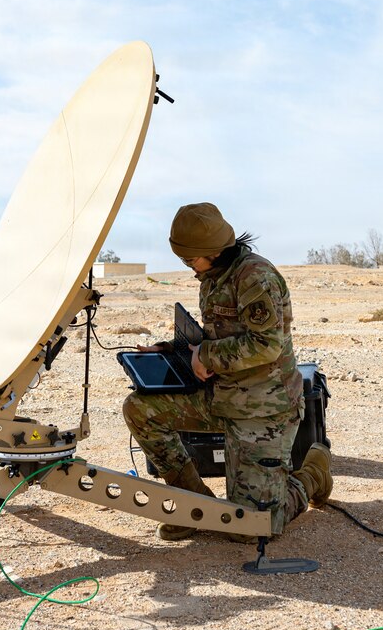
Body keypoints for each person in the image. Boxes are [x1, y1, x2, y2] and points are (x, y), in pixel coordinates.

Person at [122, 202, 332, 541]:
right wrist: (176, 350)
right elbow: (221, 335)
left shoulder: (255, 278)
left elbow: (266, 345)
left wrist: (205, 354)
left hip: (264, 410)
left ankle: (311, 476)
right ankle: (194, 507)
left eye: (190, 260)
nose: (190, 268)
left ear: (214, 251)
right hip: (221, 396)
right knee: (140, 408)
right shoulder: (213, 276)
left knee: (251, 531)